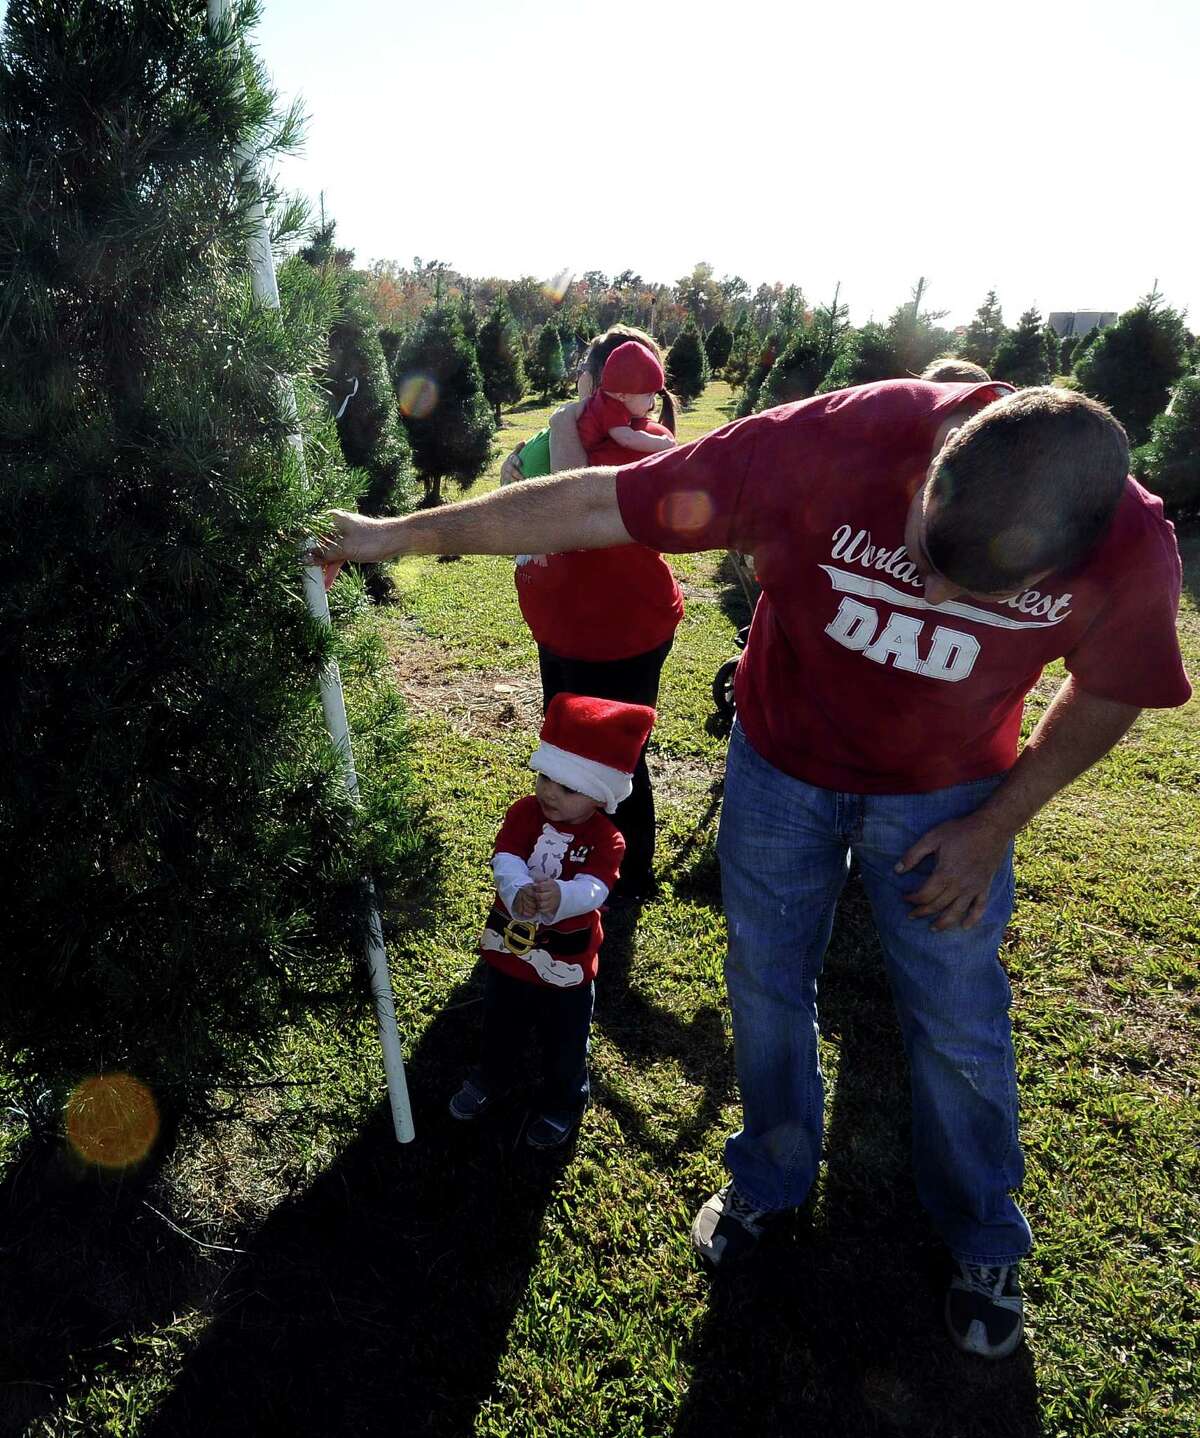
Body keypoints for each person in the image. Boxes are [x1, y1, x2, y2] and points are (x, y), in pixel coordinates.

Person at [310, 378, 1190, 1360]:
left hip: (952, 797)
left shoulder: (1130, 544)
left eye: (971, 589)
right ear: (936, 461)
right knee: (766, 979)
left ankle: (984, 1232)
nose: (932, 594)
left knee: (955, 1008)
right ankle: (770, 1175)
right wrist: (385, 535)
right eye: (925, 554)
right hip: (782, 767)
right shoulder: (822, 445)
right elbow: (600, 500)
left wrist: (996, 827)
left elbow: (1113, 692)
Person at [502, 325, 684, 904]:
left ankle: (622, 877)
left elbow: (568, 512)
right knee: (571, 750)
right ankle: (571, 860)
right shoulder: (585, 432)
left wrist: (558, 432)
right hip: (567, 626)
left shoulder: (618, 439)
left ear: (597, 383)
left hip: (619, 629)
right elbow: (524, 494)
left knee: (613, 756)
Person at [449, 692, 656, 1149]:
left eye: (566, 787)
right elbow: (505, 855)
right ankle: (491, 1075)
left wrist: (561, 896)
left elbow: (598, 888)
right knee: (500, 1018)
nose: (548, 792)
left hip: (567, 963)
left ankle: (563, 1098)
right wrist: (516, 887)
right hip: (510, 951)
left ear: (600, 794)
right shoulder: (525, 813)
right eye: (545, 777)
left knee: (565, 1039)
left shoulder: (608, 839)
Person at [575, 340, 678, 460]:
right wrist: (662, 443)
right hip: (590, 453)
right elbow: (628, 439)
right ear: (622, 395)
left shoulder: (603, 398)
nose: (651, 404)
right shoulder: (610, 409)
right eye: (649, 395)